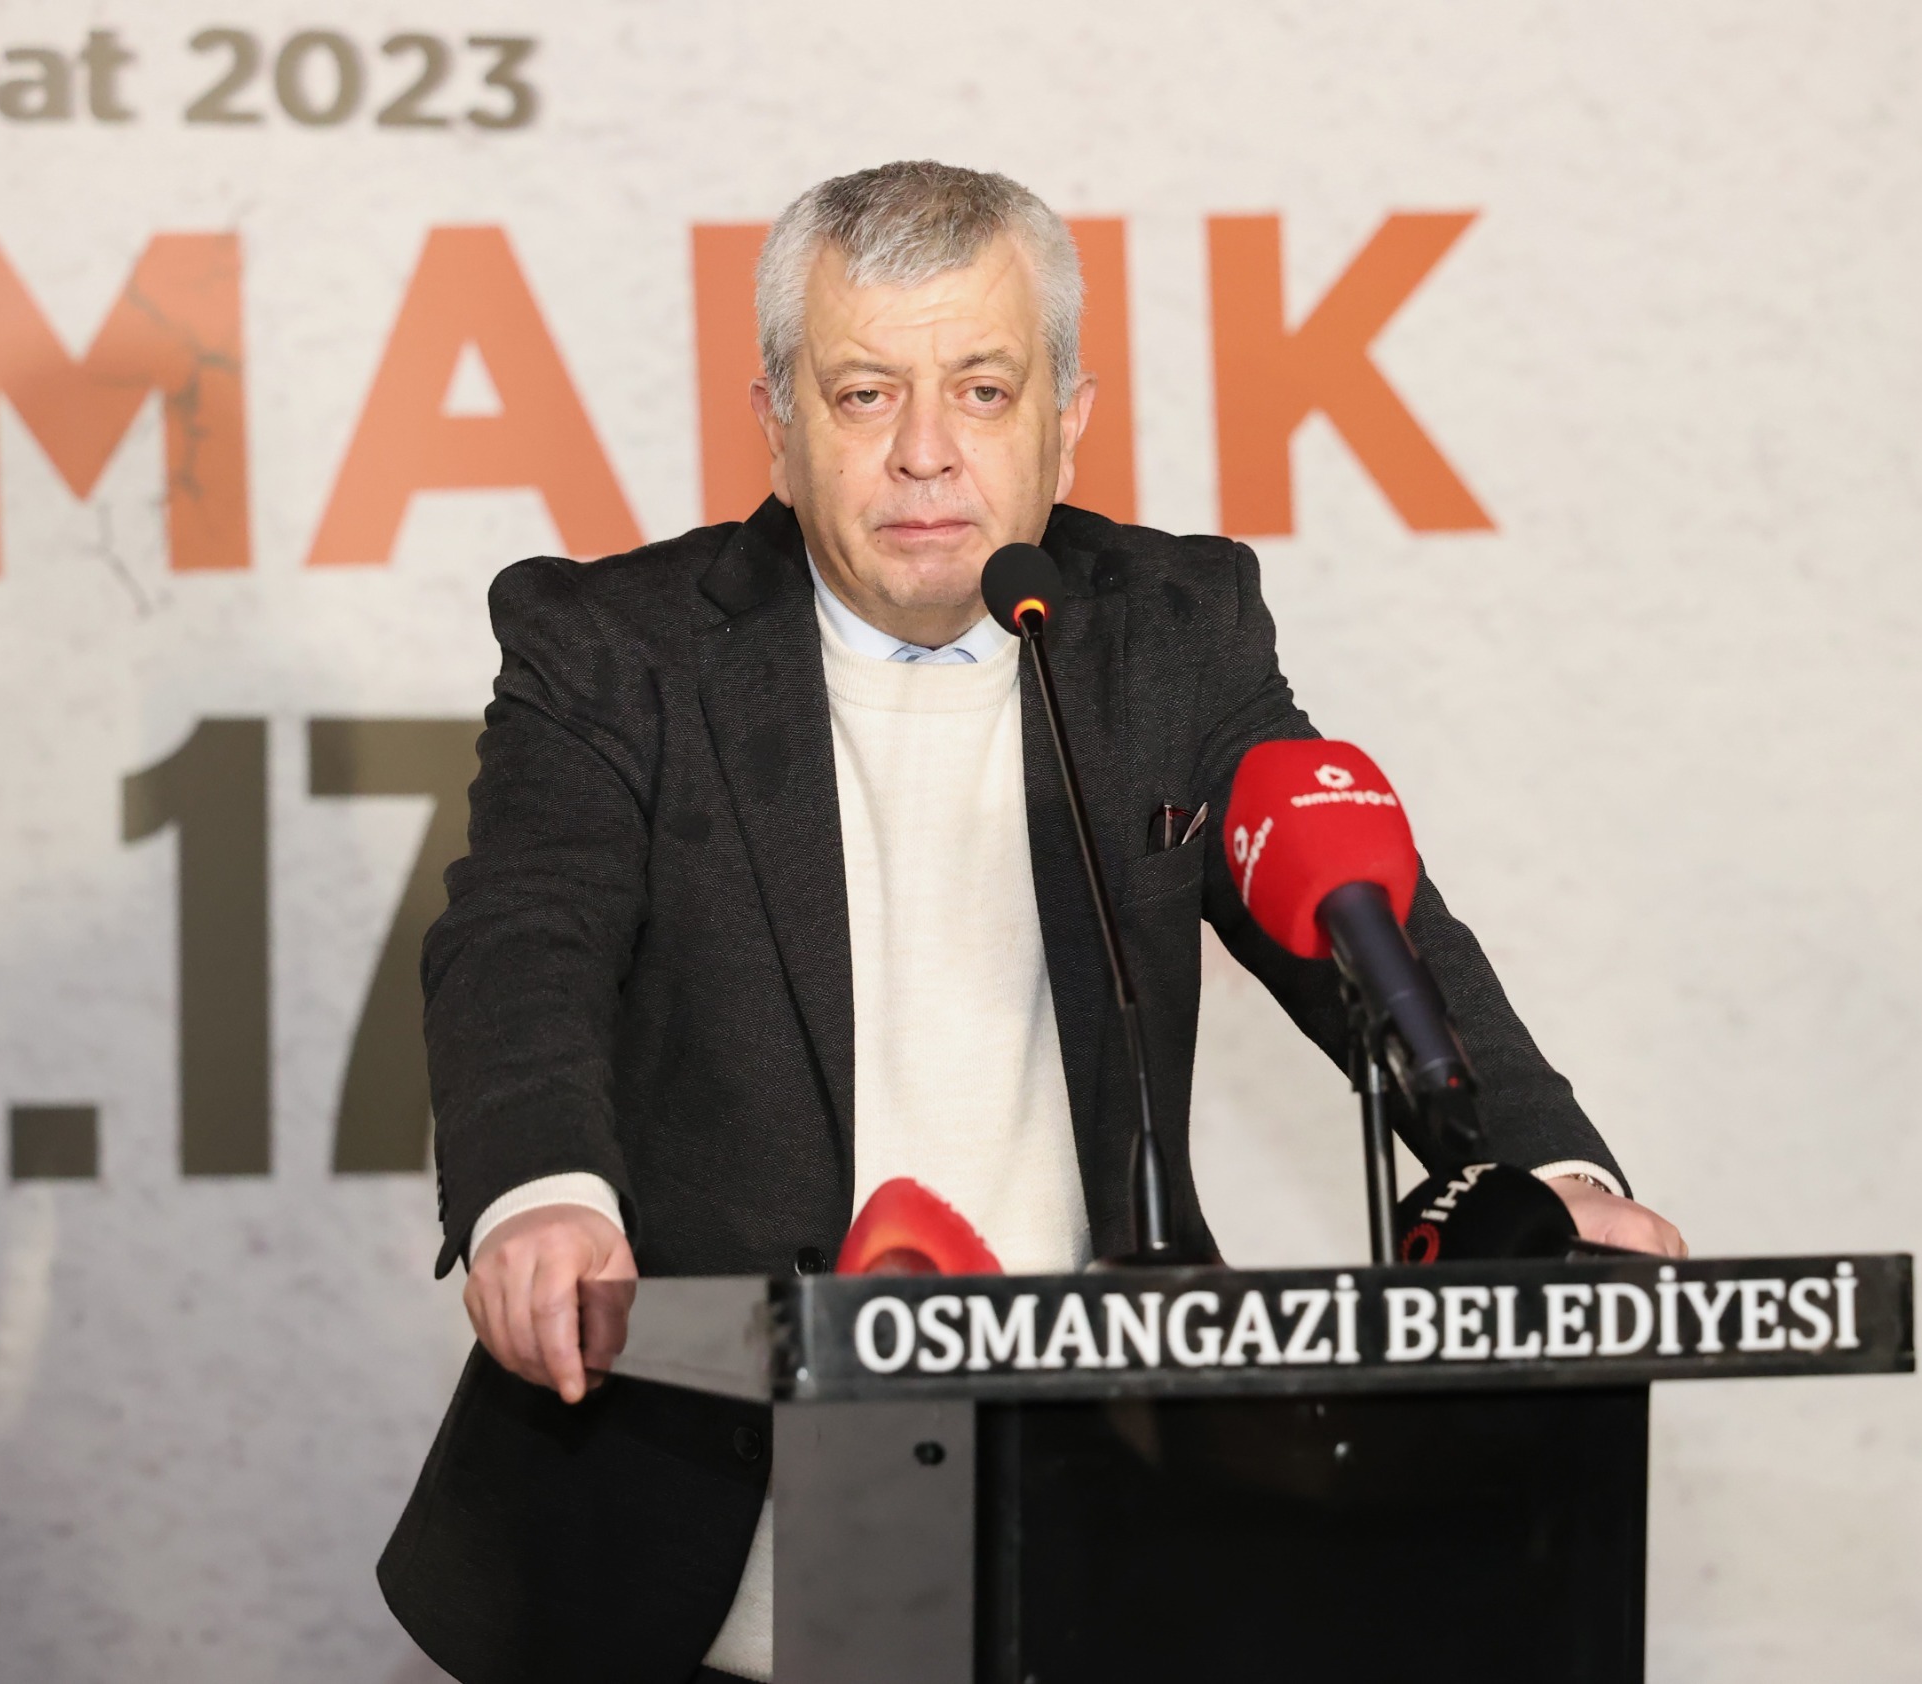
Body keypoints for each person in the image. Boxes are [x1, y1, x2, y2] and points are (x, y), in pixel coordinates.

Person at [378, 159, 1684, 1684]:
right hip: (695, 1549)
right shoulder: (616, 650)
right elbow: (523, 942)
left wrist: (1544, 1172)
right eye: (864, 395)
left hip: (1094, 1521)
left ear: (1068, 420)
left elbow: (1360, 913)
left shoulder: (1169, 634)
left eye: (984, 392)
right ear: (776, 423)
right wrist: (541, 1196)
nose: (926, 453)